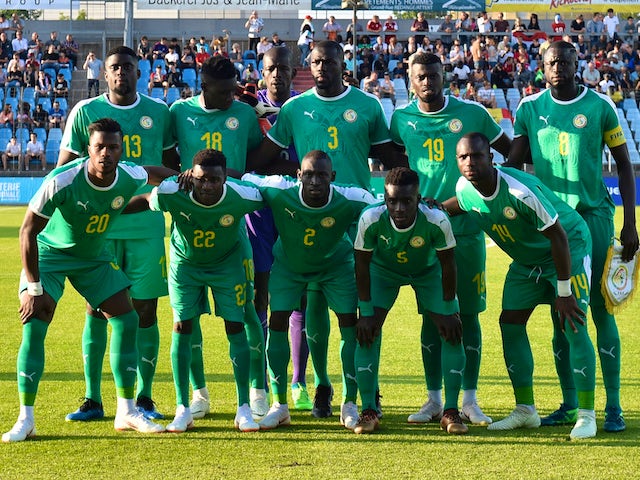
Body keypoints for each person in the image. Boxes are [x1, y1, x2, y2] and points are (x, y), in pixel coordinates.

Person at [1, 118, 177, 443]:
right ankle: (25, 418)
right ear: (88, 149)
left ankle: (126, 411)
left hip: (93, 257)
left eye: (113, 147)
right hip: (51, 253)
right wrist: (34, 289)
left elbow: (153, 171)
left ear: (121, 150)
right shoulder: (63, 179)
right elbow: (27, 230)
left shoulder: (127, 174)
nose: (106, 154)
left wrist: (182, 179)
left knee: (127, 319)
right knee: (36, 321)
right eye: (99, 147)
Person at [250, 40, 398, 420]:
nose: (321, 68)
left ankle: (366, 388)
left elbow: (392, 158)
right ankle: (321, 385)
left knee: (361, 310)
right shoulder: (295, 109)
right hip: (310, 218)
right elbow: (264, 159)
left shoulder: (367, 105)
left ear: (342, 63)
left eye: (329, 61)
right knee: (313, 306)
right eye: (315, 62)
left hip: (356, 217)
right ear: (308, 65)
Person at [508, 41, 639, 433]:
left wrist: (629, 224)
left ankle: (613, 405)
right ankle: (569, 403)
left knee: (598, 310)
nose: (558, 67)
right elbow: (512, 165)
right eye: (551, 62)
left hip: (592, 218)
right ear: (541, 67)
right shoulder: (529, 109)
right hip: (550, 224)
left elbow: (625, 167)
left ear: (576, 63)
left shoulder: (600, 106)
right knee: (560, 315)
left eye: (565, 60)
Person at [441, 132, 597, 440]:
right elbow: (460, 203)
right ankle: (526, 410)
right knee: (510, 323)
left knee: (573, 324)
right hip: (527, 263)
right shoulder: (464, 187)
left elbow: (559, 236)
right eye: (463, 157)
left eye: (477, 156)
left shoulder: (519, 190)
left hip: (569, 250)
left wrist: (564, 293)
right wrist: (433, 208)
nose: (470, 162)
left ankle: (587, 415)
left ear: (492, 158)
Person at [389, 52, 511, 427]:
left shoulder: (473, 113)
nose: (427, 82)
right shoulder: (401, 119)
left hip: (467, 231)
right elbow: (395, 166)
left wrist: (490, 195)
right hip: (423, 234)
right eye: (420, 77)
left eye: (433, 76)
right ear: (410, 80)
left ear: (445, 77)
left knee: (470, 315)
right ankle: (434, 399)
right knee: (431, 316)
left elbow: (512, 152)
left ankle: (470, 399)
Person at [58, 46, 177, 423]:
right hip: (99, 230)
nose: (121, 73)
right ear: (104, 74)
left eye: (128, 67)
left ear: (139, 72)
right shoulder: (85, 112)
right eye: (114, 68)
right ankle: (93, 399)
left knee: (146, 310)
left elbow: (171, 167)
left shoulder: (160, 112)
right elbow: (63, 168)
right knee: (96, 310)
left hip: (145, 227)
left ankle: (143, 397)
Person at [128, 149, 266, 433]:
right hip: (185, 266)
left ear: (225, 178)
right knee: (182, 326)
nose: (207, 186)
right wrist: (108, 208)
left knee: (236, 326)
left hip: (228, 264)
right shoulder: (172, 192)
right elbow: (144, 200)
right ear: (192, 176)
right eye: (201, 179)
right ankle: (183, 408)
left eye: (215, 180)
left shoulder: (244, 195)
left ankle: (244, 407)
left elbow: (276, 198)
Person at [242, 150, 376, 430]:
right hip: (290, 265)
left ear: (333, 177)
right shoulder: (279, 189)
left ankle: (350, 403)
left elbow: (382, 206)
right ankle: (279, 406)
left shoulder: (351, 196)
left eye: (322, 175)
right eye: (309, 174)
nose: (315, 180)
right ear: (299, 175)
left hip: (336, 265)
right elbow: (243, 178)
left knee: (349, 325)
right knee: (277, 322)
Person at [169, 55, 268, 421]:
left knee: (245, 313)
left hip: (233, 225)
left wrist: (237, 179)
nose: (232, 97)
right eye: (224, 91)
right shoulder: (178, 112)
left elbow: (260, 155)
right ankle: (197, 393)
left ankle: (257, 388)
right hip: (191, 226)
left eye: (234, 90)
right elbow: (166, 155)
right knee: (186, 317)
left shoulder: (243, 114)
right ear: (204, 86)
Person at [353, 167, 465, 435]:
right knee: (367, 332)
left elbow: (448, 265)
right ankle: (368, 409)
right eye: (392, 201)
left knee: (451, 332)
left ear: (419, 197)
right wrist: (366, 310)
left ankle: (450, 410)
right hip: (383, 273)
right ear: (384, 198)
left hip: (427, 273)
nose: (399, 208)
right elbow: (361, 264)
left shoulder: (436, 219)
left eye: (407, 201)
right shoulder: (370, 218)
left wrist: (450, 308)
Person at [252, 47, 314, 410]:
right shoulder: (247, 109)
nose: (278, 74)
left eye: (284, 68)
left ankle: (298, 382)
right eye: (271, 68)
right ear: (262, 71)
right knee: (260, 297)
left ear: (294, 71)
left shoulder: (303, 107)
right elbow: (248, 158)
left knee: (298, 298)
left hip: (294, 212)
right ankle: (260, 383)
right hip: (259, 213)